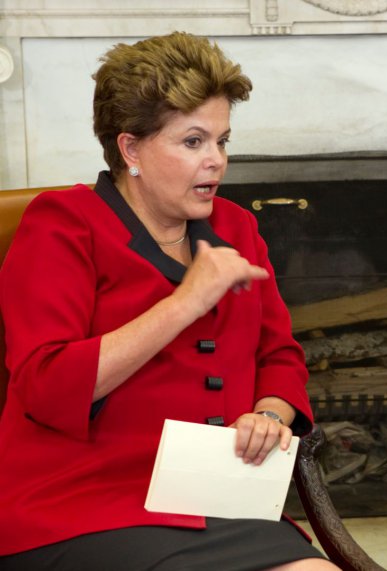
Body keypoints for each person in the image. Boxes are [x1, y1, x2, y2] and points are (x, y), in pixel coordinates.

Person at [0, 32, 338, 570]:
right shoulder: (61, 226)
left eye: (222, 141)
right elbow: (45, 385)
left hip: (218, 500)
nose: (216, 161)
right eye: (193, 142)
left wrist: (268, 414)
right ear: (131, 148)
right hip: (82, 505)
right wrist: (185, 301)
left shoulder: (237, 229)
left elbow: (278, 355)